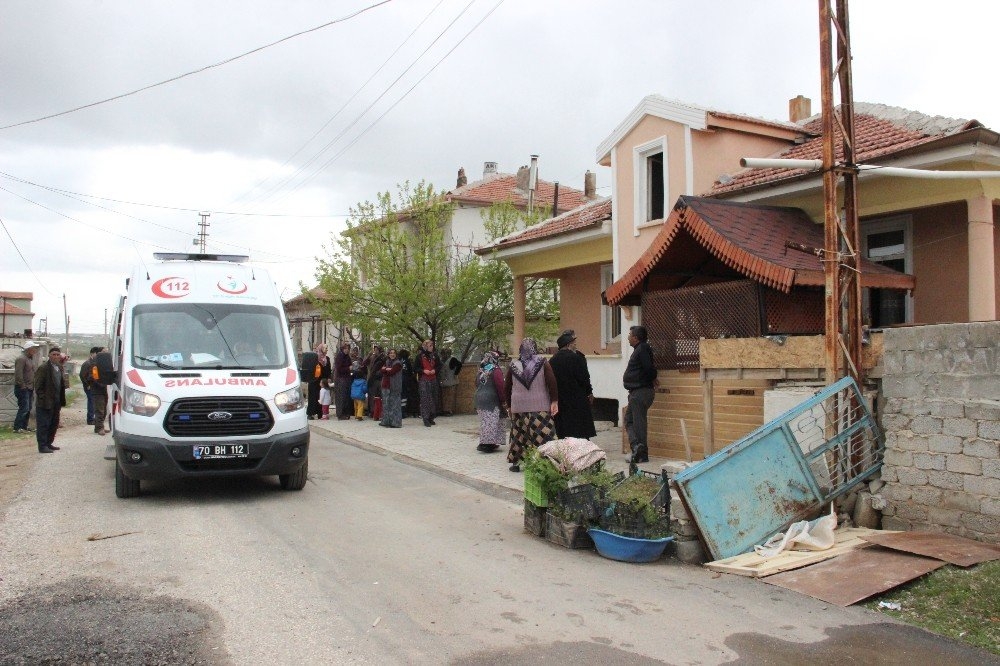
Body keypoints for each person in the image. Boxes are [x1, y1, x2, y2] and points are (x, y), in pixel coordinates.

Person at [504, 338, 558, 472]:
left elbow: (507, 387)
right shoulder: (542, 362)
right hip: (539, 406)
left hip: (518, 406)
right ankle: (547, 463)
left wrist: (509, 406)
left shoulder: (514, 365)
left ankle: (516, 463)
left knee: (519, 434)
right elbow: (552, 382)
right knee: (543, 434)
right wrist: (554, 401)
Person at [548, 330, 597, 440]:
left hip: (561, 399)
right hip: (577, 398)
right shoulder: (576, 358)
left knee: (564, 430)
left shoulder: (552, 360)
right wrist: (589, 392)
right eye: (574, 342)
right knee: (580, 430)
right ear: (568, 344)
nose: (575, 344)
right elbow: (584, 378)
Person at [623, 325, 658, 464]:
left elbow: (649, 368)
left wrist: (652, 377)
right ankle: (637, 448)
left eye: (630, 335)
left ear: (636, 338)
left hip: (640, 392)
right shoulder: (639, 349)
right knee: (629, 420)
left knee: (638, 424)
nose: (628, 337)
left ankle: (641, 453)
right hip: (636, 392)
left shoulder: (642, 348)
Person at [33, 346, 67, 453]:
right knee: (44, 424)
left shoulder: (59, 367)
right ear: (49, 355)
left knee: (54, 423)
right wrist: (43, 398)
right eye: (53, 354)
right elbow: (38, 386)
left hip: (56, 402)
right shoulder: (43, 368)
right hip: (45, 403)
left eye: (58, 355)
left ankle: (49, 443)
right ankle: (42, 446)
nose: (56, 356)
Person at [474, 351, 507, 453]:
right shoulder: (496, 370)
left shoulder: (481, 370)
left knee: (487, 422)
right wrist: (503, 399)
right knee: (491, 422)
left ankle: (491, 443)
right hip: (491, 400)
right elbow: (500, 386)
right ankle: (486, 445)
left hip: (479, 398)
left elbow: (476, 383)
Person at [13, 341, 39, 433]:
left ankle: (24, 426)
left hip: (30, 387)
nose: (35, 350)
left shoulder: (30, 359)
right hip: (23, 388)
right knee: (24, 408)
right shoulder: (21, 359)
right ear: (29, 349)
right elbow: (18, 374)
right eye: (34, 348)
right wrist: (22, 386)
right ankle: (17, 427)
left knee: (28, 408)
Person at [416, 339, 441, 427]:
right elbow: (415, 368)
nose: (432, 347)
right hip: (424, 380)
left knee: (434, 398)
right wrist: (423, 371)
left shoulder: (435, 355)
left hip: (433, 379)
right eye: (430, 346)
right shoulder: (419, 356)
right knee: (425, 399)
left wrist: (435, 370)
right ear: (425, 346)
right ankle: (425, 418)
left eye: (432, 345)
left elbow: (439, 366)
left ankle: (431, 416)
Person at [378, 349, 404, 428]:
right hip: (385, 386)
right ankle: (386, 421)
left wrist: (386, 369)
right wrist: (386, 369)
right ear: (388, 354)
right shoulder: (387, 362)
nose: (392, 354)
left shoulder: (398, 363)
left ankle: (395, 423)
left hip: (394, 386)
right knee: (386, 405)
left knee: (395, 405)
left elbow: (392, 372)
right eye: (391, 353)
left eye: (394, 353)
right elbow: (381, 370)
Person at [88, 346, 111, 435]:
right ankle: (99, 428)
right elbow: (94, 377)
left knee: (104, 409)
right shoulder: (94, 364)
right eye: (104, 352)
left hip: (104, 390)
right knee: (99, 410)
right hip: (98, 390)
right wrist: (102, 384)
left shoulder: (104, 363)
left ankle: (100, 427)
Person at [306, 343, 331, 420]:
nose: (326, 350)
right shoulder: (315, 358)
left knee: (322, 397)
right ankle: (311, 413)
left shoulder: (327, 359)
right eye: (325, 348)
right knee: (313, 397)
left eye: (327, 348)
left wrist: (328, 378)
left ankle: (321, 413)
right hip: (314, 381)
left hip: (322, 381)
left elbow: (328, 370)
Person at [438, 347, 463, 416]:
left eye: (446, 353)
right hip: (443, 382)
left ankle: (448, 410)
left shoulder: (452, 359)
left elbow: (459, 365)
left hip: (451, 381)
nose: (444, 355)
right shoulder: (440, 360)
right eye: (443, 353)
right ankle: (444, 410)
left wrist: (455, 374)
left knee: (449, 397)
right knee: (444, 396)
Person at [79, 346, 100, 426]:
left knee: (93, 402)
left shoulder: (93, 362)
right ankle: (90, 419)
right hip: (89, 386)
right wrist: (87, 384)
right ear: (92, 354)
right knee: (91, 402)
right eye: (96, 354)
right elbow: (82, 375)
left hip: (92, 386)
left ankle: (92, 418)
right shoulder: (87, 363)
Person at [365, 344, 385, 420]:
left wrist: (378, 373)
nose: (375, 351)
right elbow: (364, 363)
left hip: (379, 379)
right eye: (374, 349)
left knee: (379, 397)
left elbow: (383, 368)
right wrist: (368, 355)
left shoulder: (383, 358)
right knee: (372, 396)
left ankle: (379, 413)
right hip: (372, 378)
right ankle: (372, 411)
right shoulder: (372, 357)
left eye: (377, 350)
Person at [333, 342, 353, 420]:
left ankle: (345, 413)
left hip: (347, 378)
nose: (347, 350)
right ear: (342, 349)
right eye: (345, 348)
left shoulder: (347, 357)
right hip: (341, 378)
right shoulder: (340, 356)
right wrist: (348, 368)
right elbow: (339, 368)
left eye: (348, 349)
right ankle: (340, 414)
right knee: (341, 396)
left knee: (346, 397)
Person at [398, 349, 419, 418]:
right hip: (406, 380)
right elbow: (410, 371)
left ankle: (399, 411)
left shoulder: (398, 360)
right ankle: (403, 411)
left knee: (399, 395)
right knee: (404, 396)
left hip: (398, 380)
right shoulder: (407, 361)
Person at [350, 356, 368, 420]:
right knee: (360, 406)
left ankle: (355, 415)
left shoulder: (354, 381)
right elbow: (364, 389)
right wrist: (365, 392)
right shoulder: (363, 381)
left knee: (355, 406)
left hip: (354, 396)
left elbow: (352, 388)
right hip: (360, 396)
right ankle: (359, 416)